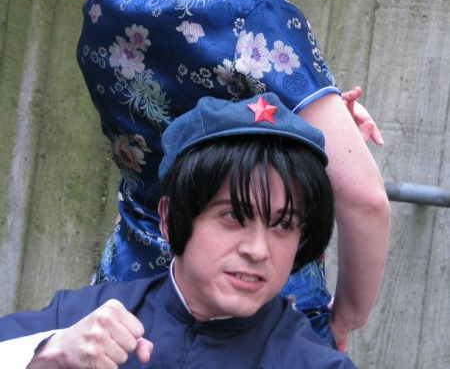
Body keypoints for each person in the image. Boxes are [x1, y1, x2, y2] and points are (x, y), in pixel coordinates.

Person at [46, 0, 390, 351]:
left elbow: (183, 119)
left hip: (126, 306)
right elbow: (365, 199)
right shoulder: (256, 17)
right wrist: (347, 315)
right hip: (255, 317)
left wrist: (299, 122)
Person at [0, 94, 357, 369]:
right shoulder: (78, 319)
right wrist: (44, 358)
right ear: (170, 217)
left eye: (283, 223)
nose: (258, 250)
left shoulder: (316, 364)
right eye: (233, 215)